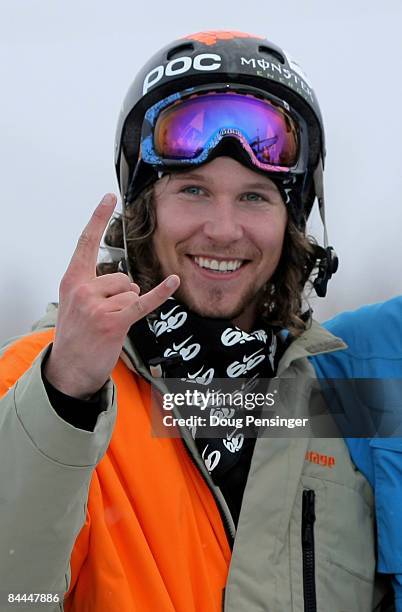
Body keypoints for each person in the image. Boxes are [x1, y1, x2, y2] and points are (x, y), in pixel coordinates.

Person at [0, 30, 399, 611]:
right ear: (144, 209)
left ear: (292, 223)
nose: (222, 229)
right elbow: (14, 588)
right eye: (193, 190)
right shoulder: (37, 379)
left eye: (255, 197)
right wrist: (66, 395)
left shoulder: (338, 404)